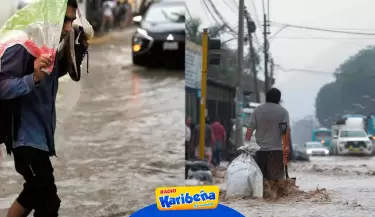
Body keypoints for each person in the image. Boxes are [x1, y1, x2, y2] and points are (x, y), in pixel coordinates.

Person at [0, 1, 89, 216]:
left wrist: (75, 52)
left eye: (71, 20)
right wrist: (34, 77)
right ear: (49, 18)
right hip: (24, 139)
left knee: (32, 192)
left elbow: (50, 77)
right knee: (49, 202)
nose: (68, 27)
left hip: (40, 137)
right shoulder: (22, 47)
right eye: (65, 20)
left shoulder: (47, 45)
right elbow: (3, 87)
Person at [245, 88, 291, 182]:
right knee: (275, 182)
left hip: (260, 151)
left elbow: (249, 129)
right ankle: (272, 196)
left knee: (260, 180)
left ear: (267, 97)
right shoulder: (282, 112)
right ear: (278, 98)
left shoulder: (257, 110)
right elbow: (285, 131)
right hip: (276, 151)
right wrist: (286, 147)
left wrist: (246, 145)